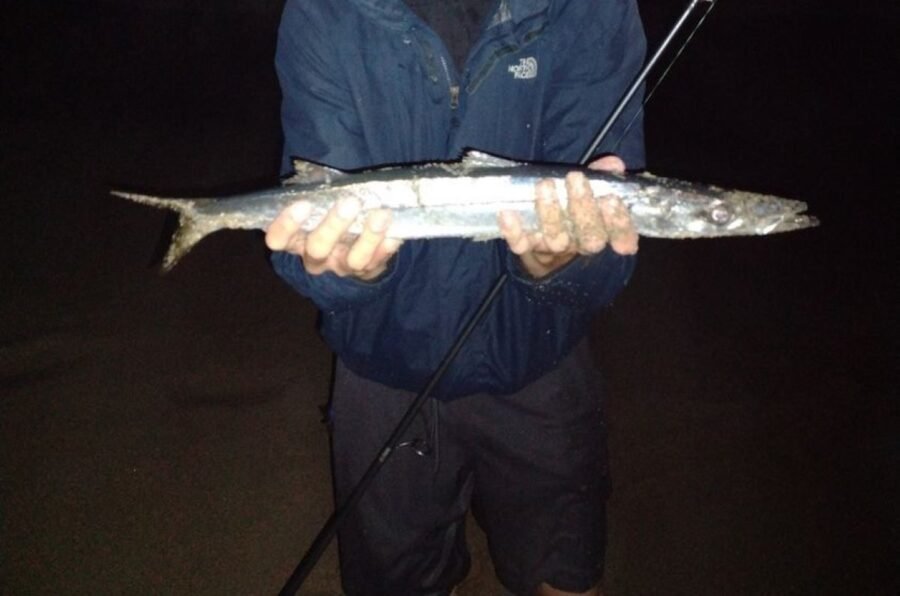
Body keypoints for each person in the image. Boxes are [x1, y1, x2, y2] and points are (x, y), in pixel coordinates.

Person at [266, 1, 646, 594]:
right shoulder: (325, 11)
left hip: (538, 357)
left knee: (567, 580)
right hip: (382, 370)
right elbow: (305, 221)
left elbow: (609, 250)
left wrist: (562, 266)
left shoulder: (594, 10)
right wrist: (342, 273)